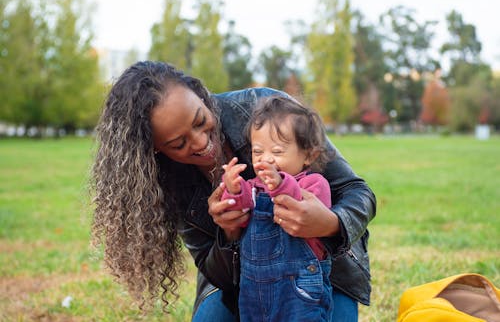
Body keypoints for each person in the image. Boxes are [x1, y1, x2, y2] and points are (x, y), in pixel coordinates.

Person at [90, 60, 376, 322]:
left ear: (201, 96)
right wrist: (229, 233)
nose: (202, 143)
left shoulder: (269, 110)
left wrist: (330, 223)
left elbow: (357, 192)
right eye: (179, 144)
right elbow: (214, 271)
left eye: (201, 121)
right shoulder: (164, 180)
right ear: (156, 148)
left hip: (322, 271)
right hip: (246, 284)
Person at [221, 96, 335, 321]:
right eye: (258, 151)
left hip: (299, 290)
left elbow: (301, 209)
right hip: (253, 289)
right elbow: (239, 216)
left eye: (277, 151)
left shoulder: (313, 185)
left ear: (308, 155)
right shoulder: (254, 186)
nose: (266, 159)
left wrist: (280, 183)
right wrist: (233, 189)